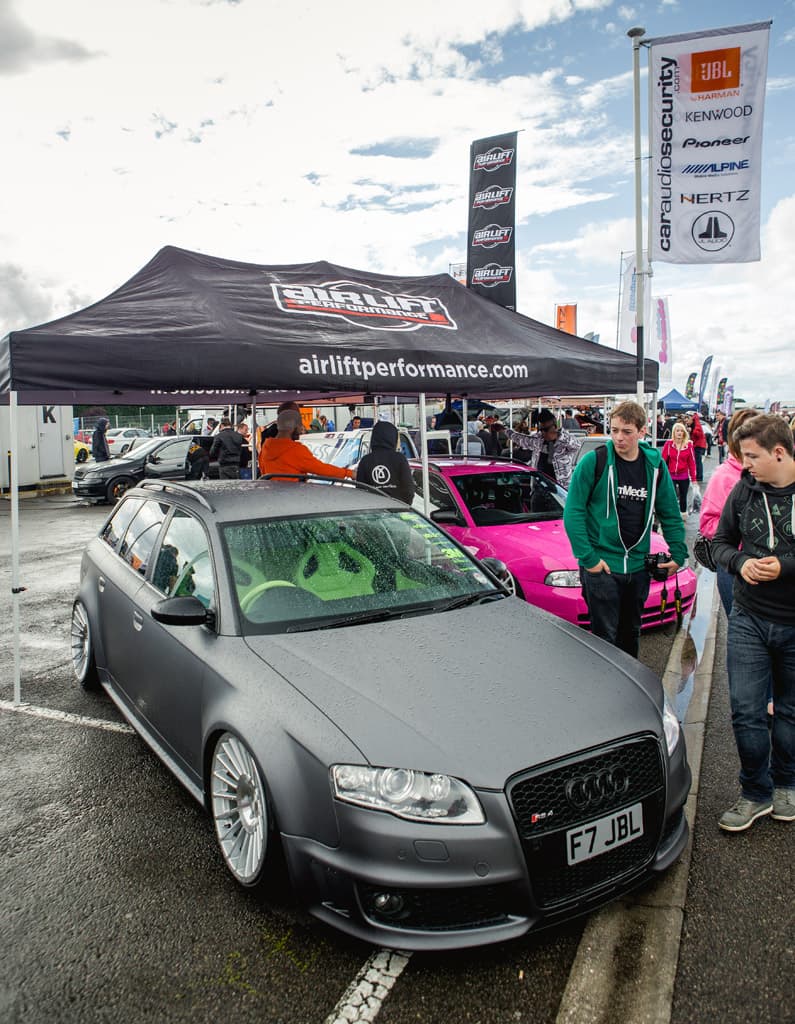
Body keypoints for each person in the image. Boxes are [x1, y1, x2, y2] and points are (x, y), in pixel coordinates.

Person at [711, 413, 795, 831]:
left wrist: (785, 567)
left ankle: (787, 785)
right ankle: (755, 792)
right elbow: (719, 543)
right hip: (748, 617)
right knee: (746, 710)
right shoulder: (744, 489)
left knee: (790, 711)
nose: (745, 465)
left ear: (779, 453)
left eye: (752, 456)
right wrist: (740, 562)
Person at [563, 400, 687, 658]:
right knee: (604, 639)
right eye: (614, 429)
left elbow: (670, 513)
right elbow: (572, 512)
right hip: (603, 568)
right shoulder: (594, 462)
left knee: (631, 633)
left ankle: (630, 694)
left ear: (643, 431)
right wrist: (589, 560)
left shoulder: (654, 466)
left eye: (627, 431)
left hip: (638, 568)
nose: (618, 438)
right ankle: (604, 694)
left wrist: (678, 553)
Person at [699, 408, 759, 616]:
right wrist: (744, 529)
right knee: (740, 629)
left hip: (772, 568)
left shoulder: (777, 473)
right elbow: (707, 525)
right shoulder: (724, 476)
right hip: (735, 565)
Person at [260, 408, 354, 481]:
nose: (301, 430)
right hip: (293, 498)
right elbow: (321, 469)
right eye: (300, 426)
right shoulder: (295, 450)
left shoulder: (265, 447)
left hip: (272, 498)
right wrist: (349, 473)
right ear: (293, 427)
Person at [503, 408, 581, 488]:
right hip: (539, 488)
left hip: (561, 489)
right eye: (541, 429)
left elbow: (577, 445)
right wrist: (505, 430)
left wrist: (559, 436)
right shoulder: (539, 439)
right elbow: (522, 440)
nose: (543, 432)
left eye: (546, 429)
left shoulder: (566, 441)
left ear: (555, 427)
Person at [355, 420, 414, 504]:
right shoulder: (399, 458)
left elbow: (360, 490)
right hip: (398, 510)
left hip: (374, 511)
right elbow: (408, 489)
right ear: (393, 437)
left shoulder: (365, 461)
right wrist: (404, 506)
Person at [661, 422, 696, 519]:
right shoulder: (668, 444)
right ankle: (671, 515)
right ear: (674, 432)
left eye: (681, 431)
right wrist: (661, 475)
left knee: (683, 496)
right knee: (671, 496)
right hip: (671, 475)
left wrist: (694, 478)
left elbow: (692, 463)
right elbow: (662, 461)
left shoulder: (688, 445)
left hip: (684, 475)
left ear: (684, 433)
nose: (679, 433)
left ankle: (683, 514)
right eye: (677, 431)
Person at [686, 411, 707, 482]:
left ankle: (699, 476)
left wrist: (691, 430)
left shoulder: (696, 424)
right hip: (697, 444)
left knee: (697, 461)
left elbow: (698, 434)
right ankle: (698, 475)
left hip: (698, 445)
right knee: (697, 461)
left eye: (688, 419)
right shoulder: (695, 424)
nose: (687, 421)